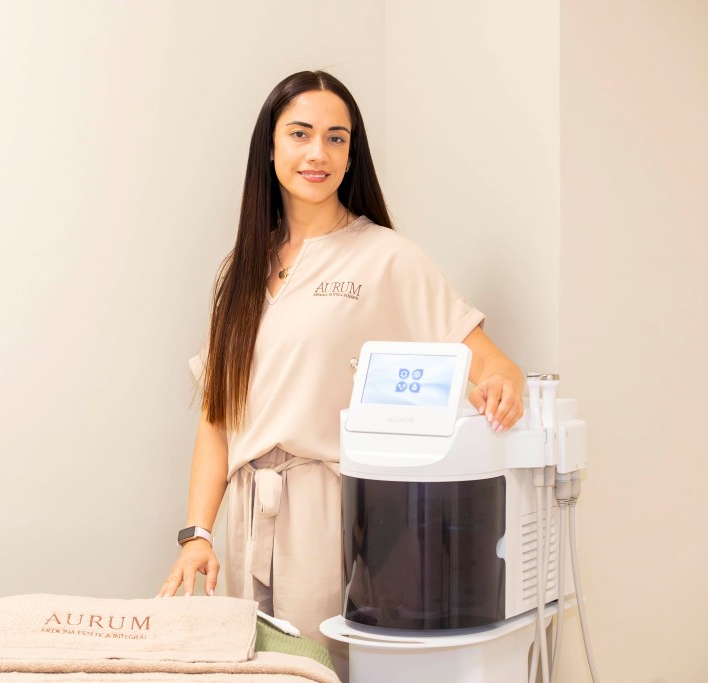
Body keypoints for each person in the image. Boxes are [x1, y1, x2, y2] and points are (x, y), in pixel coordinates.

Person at [157, 70, 525, 678]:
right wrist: (197, 533)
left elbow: (485, 356)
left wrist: (503, 380)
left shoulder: (385, 257)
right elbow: (216, 419)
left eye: (336, 138)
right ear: (270, 147)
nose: (317, 153)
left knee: (322, 670)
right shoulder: (240, 273)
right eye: (300, 134)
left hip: (327, 515)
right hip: (246, 519)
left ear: (352, 154)